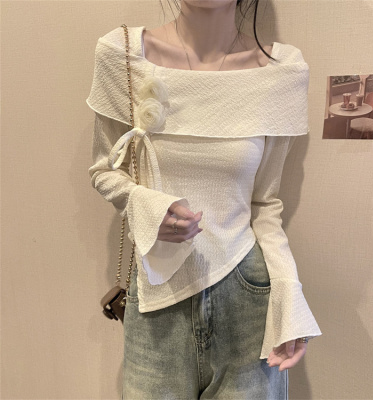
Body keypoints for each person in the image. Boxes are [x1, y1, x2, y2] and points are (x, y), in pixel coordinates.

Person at [86, 0, 322, 398]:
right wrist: (147, 208)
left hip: (247, 292)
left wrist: (288, 293)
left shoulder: (282, 71)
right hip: (156, 295)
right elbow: (104, 170)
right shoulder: (122, 55)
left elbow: (265, 203)